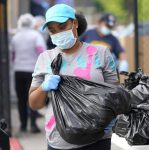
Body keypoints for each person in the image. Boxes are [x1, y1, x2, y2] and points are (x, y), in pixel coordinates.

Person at [29, 4, 118, 150]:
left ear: (74, 23)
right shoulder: (45, 58)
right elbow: (34, 104)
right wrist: (43, 87)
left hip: (98, 138)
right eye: (52, 30)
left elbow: (115, 94)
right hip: (60, 140)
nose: (58, 33)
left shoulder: (100, 54)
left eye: (62, 26)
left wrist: (112, 117)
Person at [11, 13, 46, 133]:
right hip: (32, 71)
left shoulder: (16, 37)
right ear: (32, 23)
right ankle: (33, 125)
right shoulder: (36, 36)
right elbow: (42, 52)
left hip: (18, 71)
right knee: (33, 97)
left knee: (21, 99)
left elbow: (13, 55)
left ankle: (23, 125)